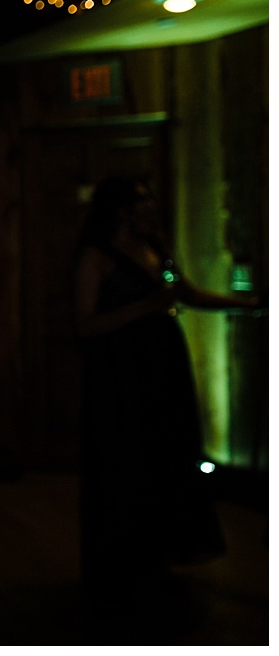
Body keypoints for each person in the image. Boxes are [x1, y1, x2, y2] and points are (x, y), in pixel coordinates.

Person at [72, 176, 260, 606]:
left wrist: (248, 304)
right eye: (141, 208)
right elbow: (85, 325)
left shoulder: (156, 248)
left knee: (165, 459)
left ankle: (156, 560)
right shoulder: (95, 257)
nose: (149, 215)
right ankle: (121, 569)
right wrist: (145, 307)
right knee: (125, 462)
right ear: (119, 211)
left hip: (160, 371)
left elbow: (185, 292)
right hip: (120, 376)